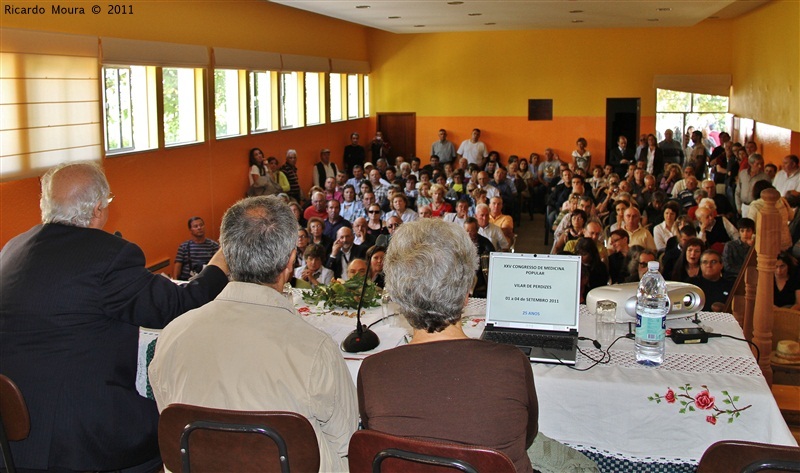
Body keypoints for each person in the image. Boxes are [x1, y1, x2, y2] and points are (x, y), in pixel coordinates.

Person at [0, 161, 228, 472]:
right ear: (98, 209)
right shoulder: (108, 255)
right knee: (173, 422)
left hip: (14, 432)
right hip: (81, 434)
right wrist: (222, 260)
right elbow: (177, 305)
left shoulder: (13, 248)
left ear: (45, 205)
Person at [149, 196, 357, 473]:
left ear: (226, 256)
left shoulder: (173, 335)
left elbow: (170, 420)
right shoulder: (315, 349)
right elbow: (345, 442)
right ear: (290, 262)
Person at [357, 218, 539, 473]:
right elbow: (527, 438)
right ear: (467, 294)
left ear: (398, 298)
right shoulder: (512, 363)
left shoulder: (372, 370)